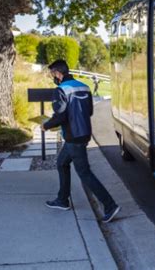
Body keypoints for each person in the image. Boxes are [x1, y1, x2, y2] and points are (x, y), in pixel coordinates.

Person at [42, 59, 120, 223]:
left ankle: (110, 205)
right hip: (84, 133)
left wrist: (46, 125)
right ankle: (62, 200)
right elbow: (89, 111)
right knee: (62, 163)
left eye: (52, 74)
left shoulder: (61, 90)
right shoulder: (84, 86)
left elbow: (61, 115)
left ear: (58, 73)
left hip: (73, 137)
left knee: (84, 173)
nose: (52, 77)